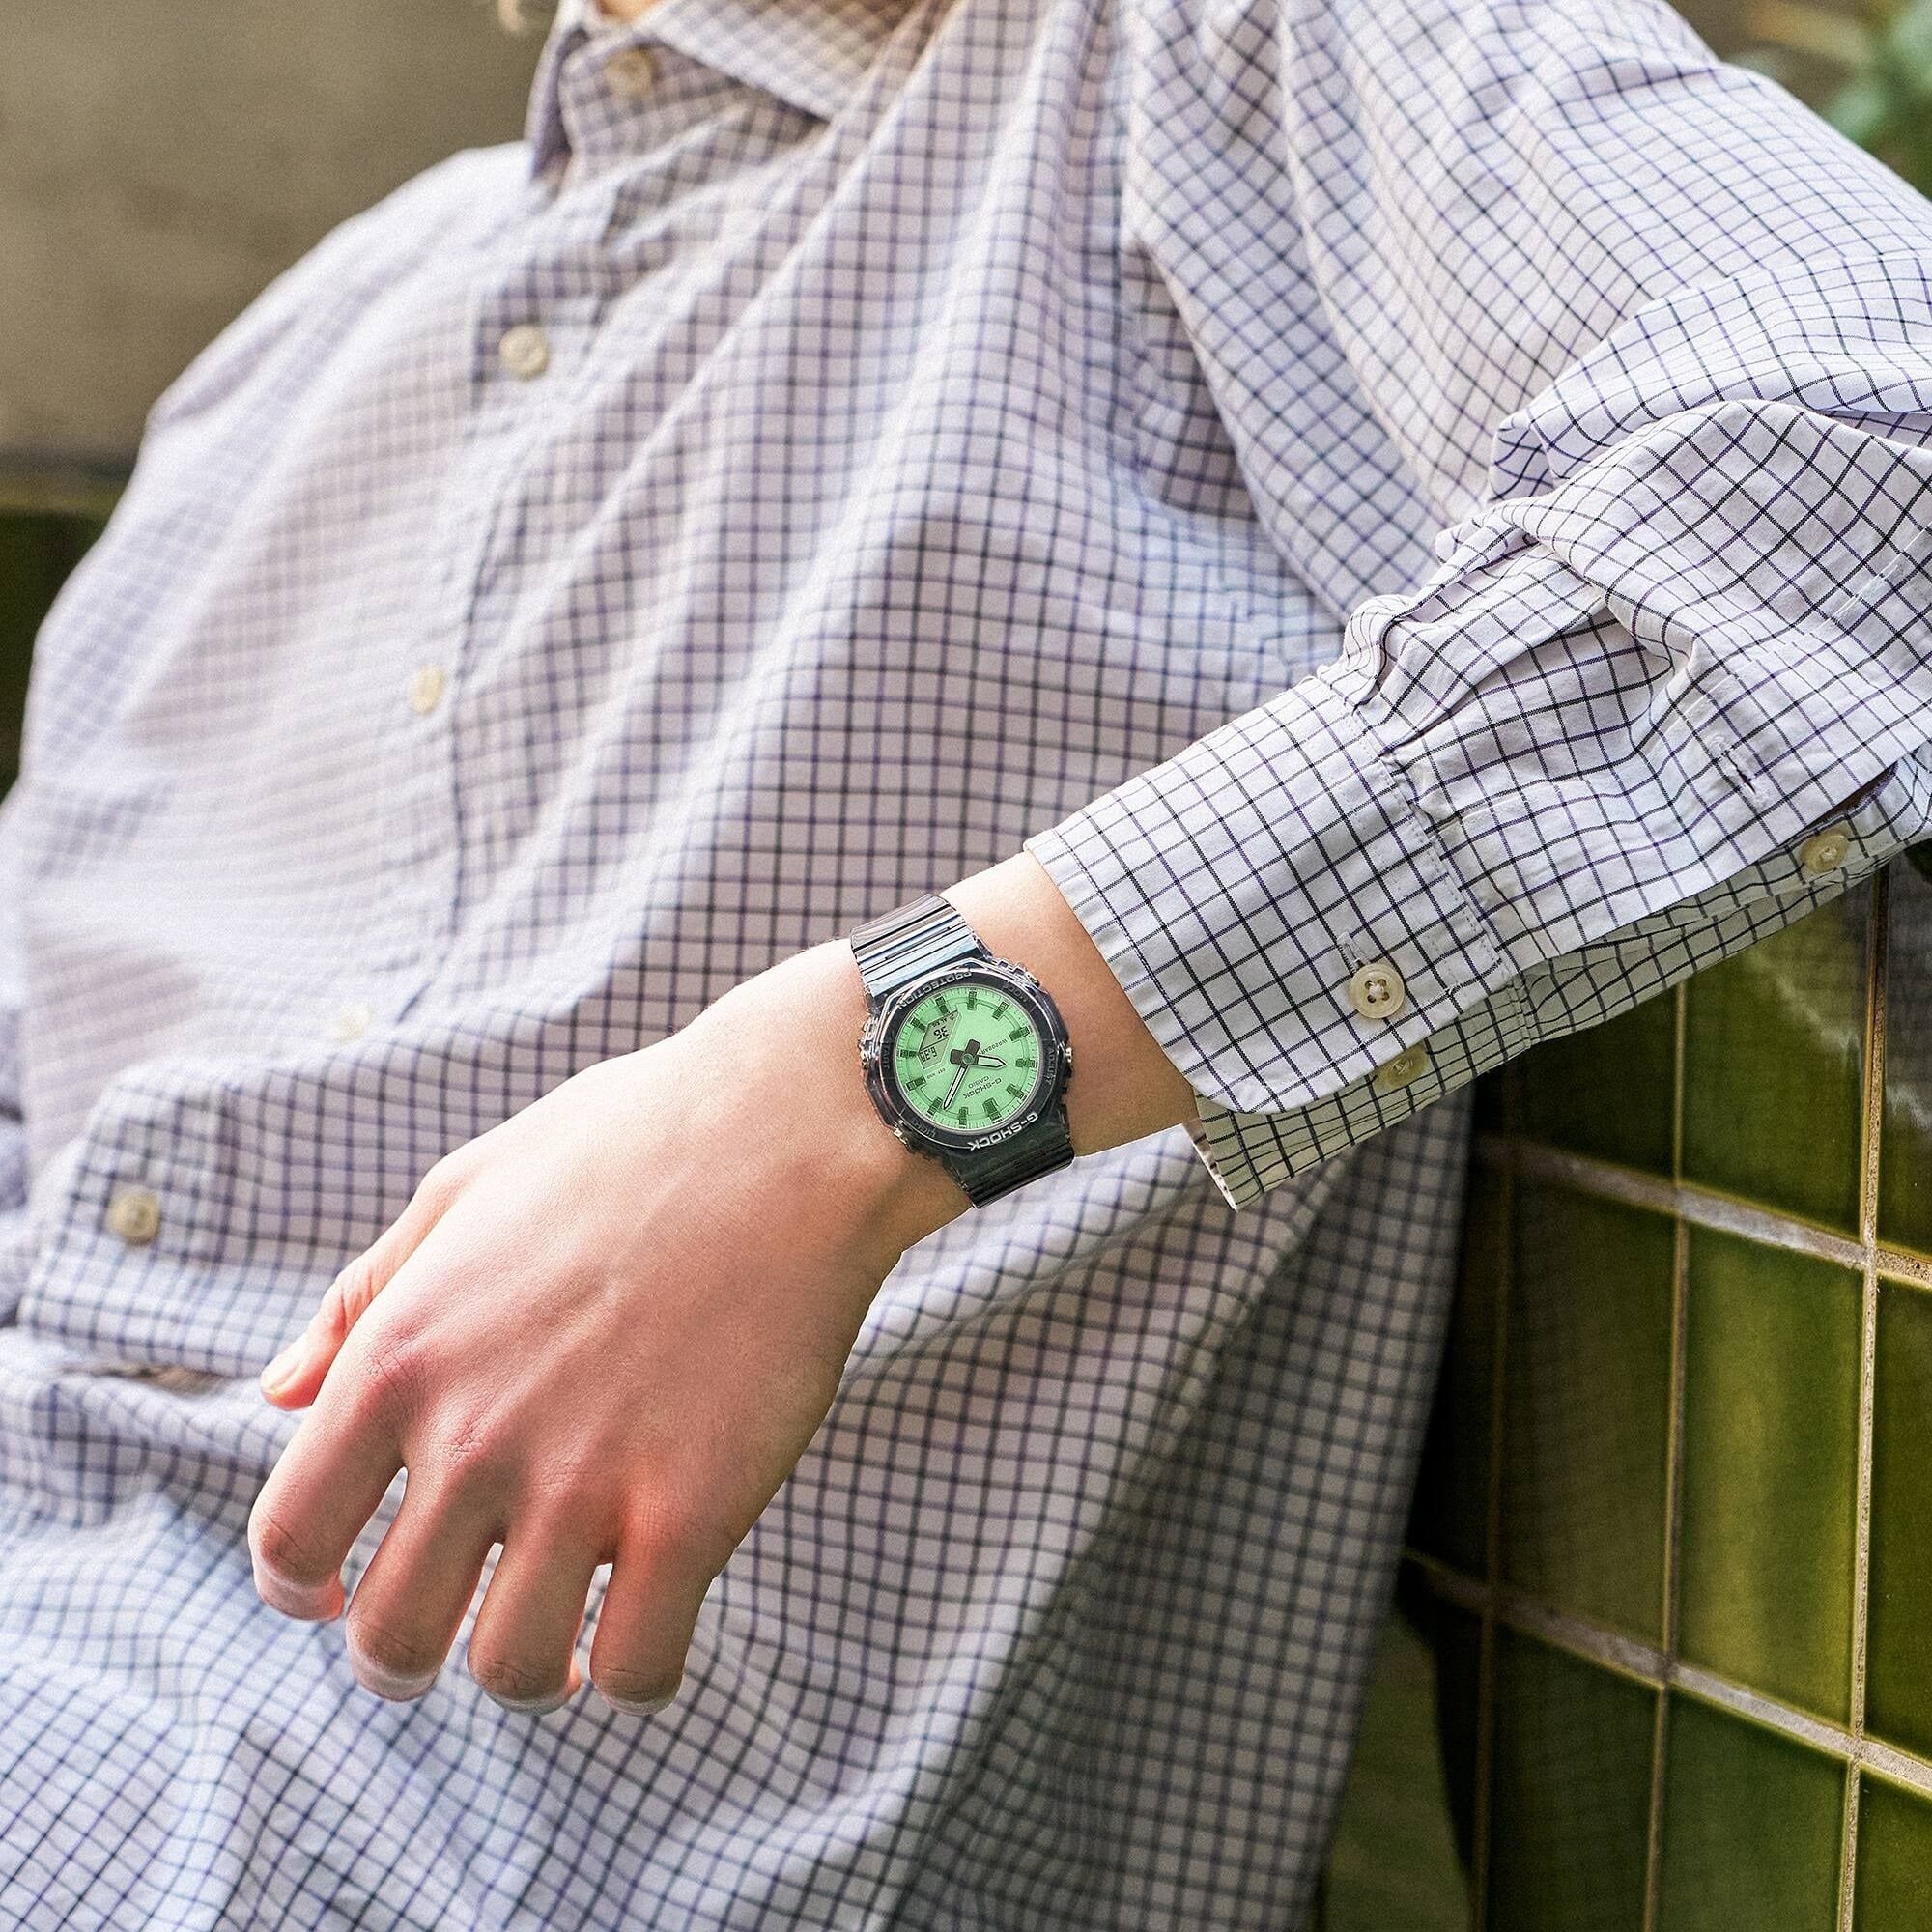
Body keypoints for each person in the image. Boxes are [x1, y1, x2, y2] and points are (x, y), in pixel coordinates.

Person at [1, 0, 1927, 1919]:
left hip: (398, 1819)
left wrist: (820, 1107)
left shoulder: (1211, 55)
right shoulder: (320, 340)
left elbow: (1874, 436)